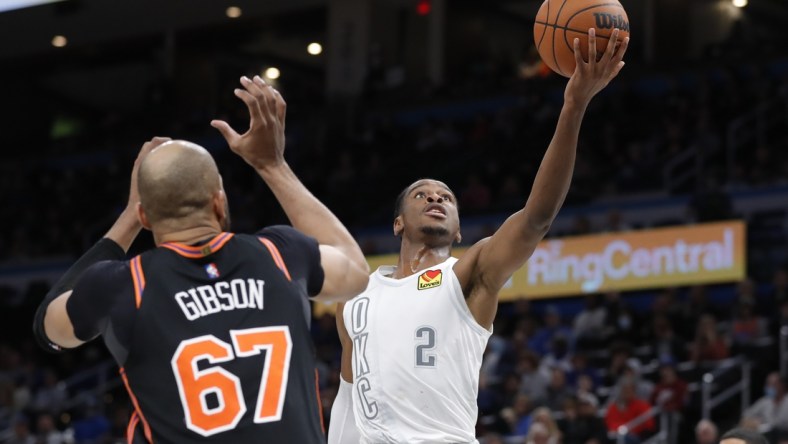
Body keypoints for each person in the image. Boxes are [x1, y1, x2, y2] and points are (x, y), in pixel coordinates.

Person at [328, 27, 630, 443]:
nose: (436, 197)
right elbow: (349, 398)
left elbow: (537, 218)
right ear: (397, 222)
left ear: (457, 231)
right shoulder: (356, 301)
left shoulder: (469, 273)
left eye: (447, 197)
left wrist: (573, 106)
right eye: (422, 194)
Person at [32, 76, 370, 443]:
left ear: (147, 218)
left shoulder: (122, 285)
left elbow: (47, 326)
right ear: (219, 202)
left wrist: (130, 214)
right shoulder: (279, 252)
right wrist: (272, 165)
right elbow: (355, 269)